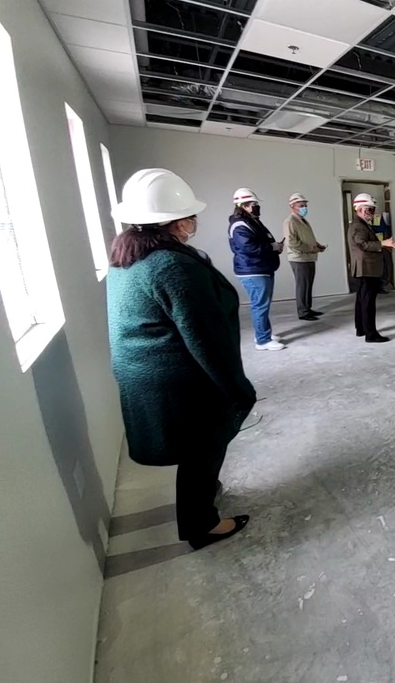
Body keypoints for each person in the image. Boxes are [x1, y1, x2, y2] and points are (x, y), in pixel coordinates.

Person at [107, 169, 253, 551]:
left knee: (198, 449)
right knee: (202, 448)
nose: (195, 221)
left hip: (148, 372)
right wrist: (238, 388)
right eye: (190, 215)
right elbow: (204, 337)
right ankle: (201, 525)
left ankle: (201, 498)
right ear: (178, 221)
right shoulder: (172, 266)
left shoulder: (130, 256)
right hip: (178, 377)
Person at [229, 188, 284, 350]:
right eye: (254, 204)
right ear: (243, 206)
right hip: (253, 270)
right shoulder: (240, 225)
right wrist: (271, 247)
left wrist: (274, 247)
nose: (256, 207)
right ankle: (263, 340)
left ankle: (263, 333)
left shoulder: (251, 221)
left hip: (261, 268)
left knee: (262, 304)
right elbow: (249, 248)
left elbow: (260, 241)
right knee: (259, 305)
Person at [349, 193, 395, 342]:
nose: (372, 212)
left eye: (372, 209)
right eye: (369, 209)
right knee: (368, 302)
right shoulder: (358, 225)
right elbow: (362, 244)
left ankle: (361, 329)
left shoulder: (361, 224)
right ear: (360, 209)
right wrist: (383, 243)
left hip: (365, 267)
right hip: (366, 268)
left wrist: (383, 245)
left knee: (362, 300)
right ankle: (371, 334)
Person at [283, 192, 327, 321]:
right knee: (302, 285)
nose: (304, 208)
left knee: (308, 284)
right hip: (299, 258)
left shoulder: (302, 221)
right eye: (301, 205)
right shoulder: (290, 221)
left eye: (305, 205)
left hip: (308, 257)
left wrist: (317, 246)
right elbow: (291, 242)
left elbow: (307, 238)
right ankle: (302, 312)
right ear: (292, 206)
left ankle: (307, 308)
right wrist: (309, 248)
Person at [371, 206, 394, 294]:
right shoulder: (364, 220)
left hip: (381, 246)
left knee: (383, 267)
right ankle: (374, 287)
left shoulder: (378, 217)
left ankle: (382, 286)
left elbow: (383, 229)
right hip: (372, 248)